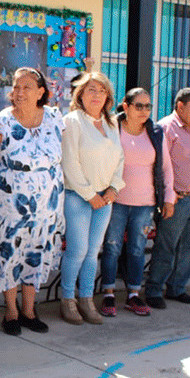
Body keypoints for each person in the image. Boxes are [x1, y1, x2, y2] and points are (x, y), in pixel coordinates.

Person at [0, 67, 65, 336]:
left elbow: (63, 152)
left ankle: (29, 310)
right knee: (10, 252)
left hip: (47, 202)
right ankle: (11, 311)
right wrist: (17, 176)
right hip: (10, 202)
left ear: (41, 91)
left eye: (26, 87)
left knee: (36, 251)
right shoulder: (2, 121)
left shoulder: (53, 117)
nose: (19, 92)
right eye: (15, 86)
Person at [98, 88, 175, 317]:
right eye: (139, 106)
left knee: (137, 249)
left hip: (145, 203)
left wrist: (169, 197)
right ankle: (109, 293)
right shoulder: (112, 129)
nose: (144, 111)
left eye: (148, 106)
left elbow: (166, 168)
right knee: (111, 247)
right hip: (116, 200)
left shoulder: (155, 132)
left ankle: (133, 293)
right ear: (126, 106)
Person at [59, 72, 124, 325]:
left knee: (92, 252)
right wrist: (90, 194)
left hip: (105, 198)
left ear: (108, 97)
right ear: (80, 94)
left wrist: (114, 188)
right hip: (78, 196)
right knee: (77, 250)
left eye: (101, 90)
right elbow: (70, 162)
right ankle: (68, 300)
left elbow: (120, 159)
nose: (96, 95)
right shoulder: (72, 121)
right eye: (90, 90)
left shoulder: (111, 123)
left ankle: (86, 299)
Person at [144, 88, 190, 309]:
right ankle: (153, 290)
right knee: (166, 246)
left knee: (189, 247)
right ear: (180, 106)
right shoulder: (166, 128)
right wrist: (168, 197)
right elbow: (160, 166)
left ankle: (177, 288)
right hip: (176, 200)